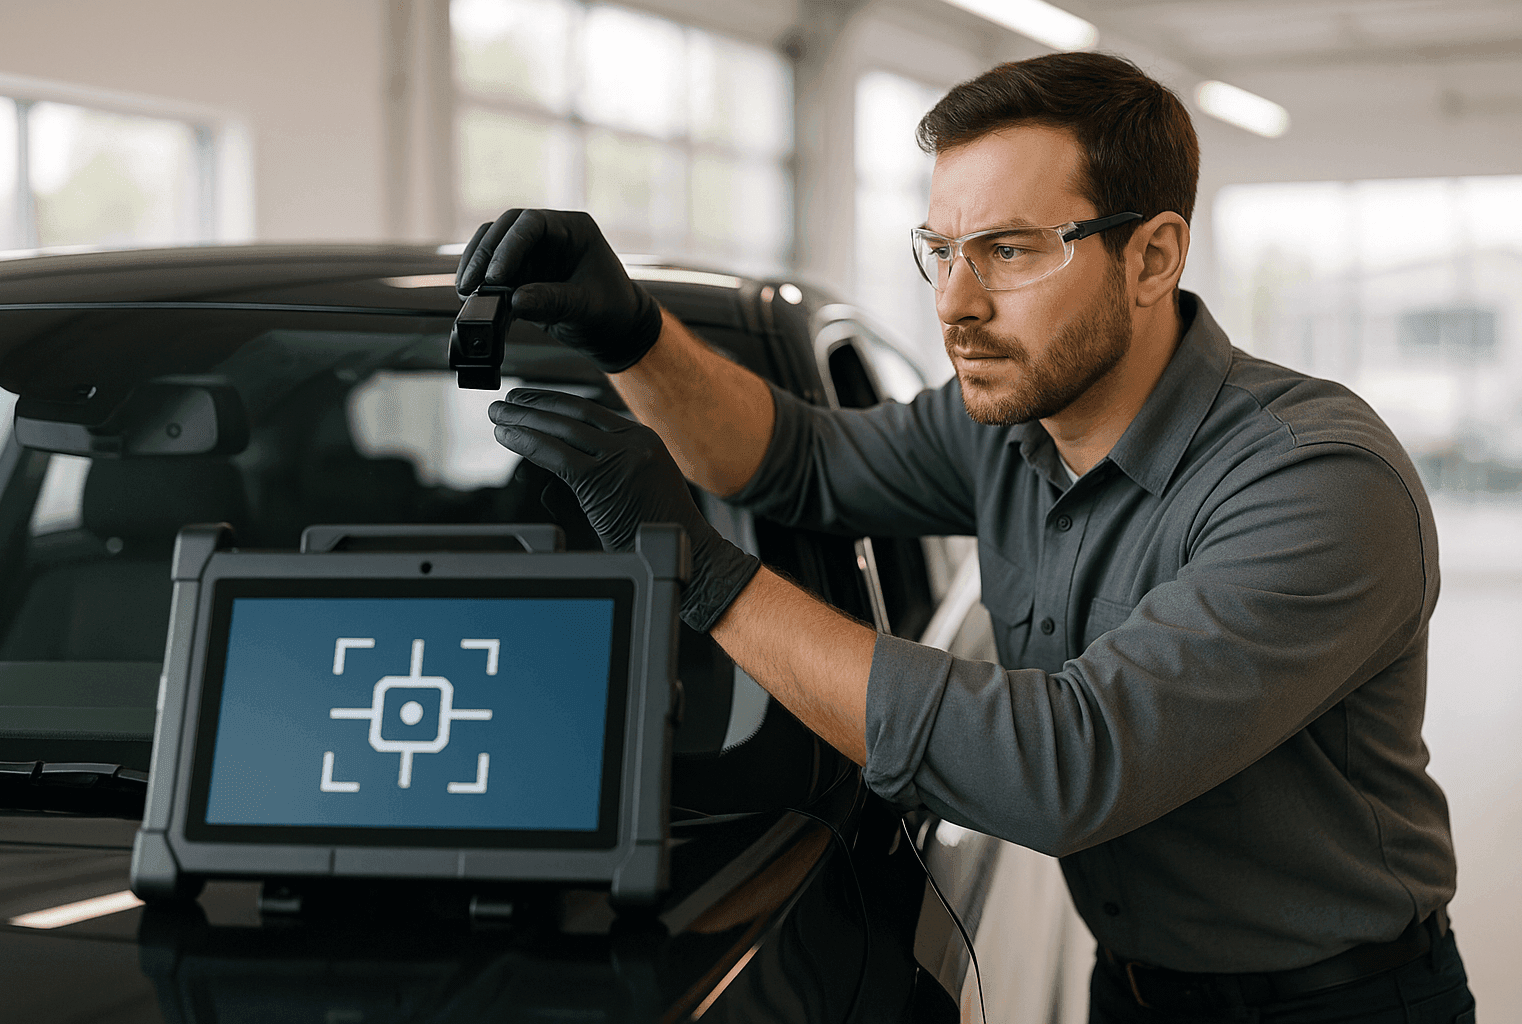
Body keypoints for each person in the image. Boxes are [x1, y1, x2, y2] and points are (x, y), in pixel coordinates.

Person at [466, 51, 1475, 1024]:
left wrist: (702, 572)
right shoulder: (1007, 425)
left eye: (1009, 249)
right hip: (1132, 988)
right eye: (942, 250)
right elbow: (800, 459)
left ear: (1152, 257)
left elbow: (1067, 764)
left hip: (1343, 1001)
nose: (954, 303)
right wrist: (630, 332)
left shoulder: (1316, 482)